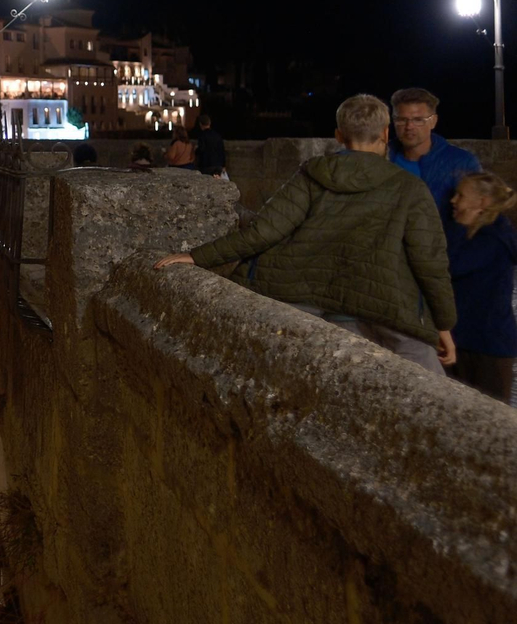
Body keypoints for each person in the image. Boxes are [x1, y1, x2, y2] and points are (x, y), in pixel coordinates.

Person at [155, 94, 456, 375]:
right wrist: (443, 325)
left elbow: (264, 230)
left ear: (338, 136)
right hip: (387, 307)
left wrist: (197, 256)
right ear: (386, 134)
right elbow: (430, 262)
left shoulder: (312, 173)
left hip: (316, 302)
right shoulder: (410, 188)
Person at [445, 172, 517, 403]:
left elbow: (450, 266)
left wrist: (457, 226)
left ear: (482, 203)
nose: (453, 200)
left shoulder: (493, 239)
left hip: (486, 347)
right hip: (469, 341)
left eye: (461, 195)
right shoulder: (480, 235)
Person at [388, 87, 481, 224]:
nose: (409, 126)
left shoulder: (462, 163)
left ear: (433, 121)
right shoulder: (382, 158)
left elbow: (476, 218)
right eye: (401, 120)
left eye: (418, 120)